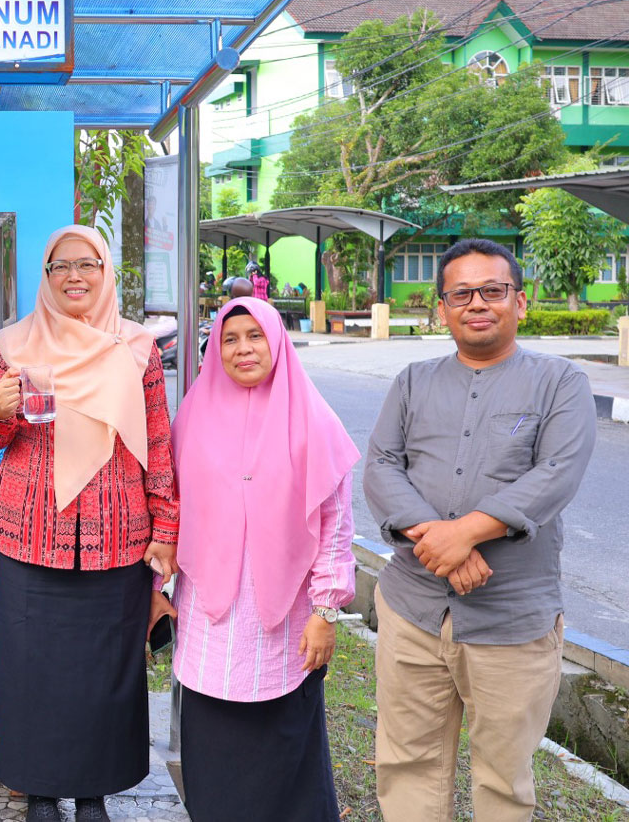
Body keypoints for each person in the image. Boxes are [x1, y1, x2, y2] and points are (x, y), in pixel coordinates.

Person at [364, 238, 596, 821]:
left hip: (513, 619)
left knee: (502, 781)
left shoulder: (560, 383)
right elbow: (381, 465)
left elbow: (557, 472)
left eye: (492, 291)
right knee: (406, 764)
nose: (477, 304)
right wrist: (439, 538)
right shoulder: (413, 381)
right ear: (442, 308)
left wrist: (466, 530)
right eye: (461, 293)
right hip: (412, 610)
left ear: (521, 301)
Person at [0, 225, 179, 822]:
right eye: (60, 267)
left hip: (116, 534)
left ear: (105, 270)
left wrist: (165, 531)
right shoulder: (13, 344)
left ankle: (92, 794)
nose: (74, 278)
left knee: (106, 670)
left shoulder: (137, 347)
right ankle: (40, 793)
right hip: (29, 531)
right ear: (46, 275)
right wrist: (0, 411)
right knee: (30, 668)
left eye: (87, 264)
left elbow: (158, 446)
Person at [170, 296, 358, 821]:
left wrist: (326, 612)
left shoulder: (312, 420)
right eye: (230, 339)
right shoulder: (194, 414)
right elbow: (172, 511)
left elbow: (337, 527)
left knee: (283, 751)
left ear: (276, 340)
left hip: (286, 621)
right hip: (209, 613)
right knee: (213, 749)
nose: (243, 348)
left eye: (255, 336)